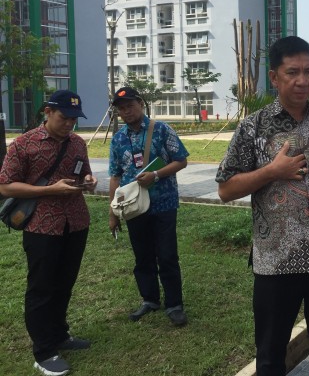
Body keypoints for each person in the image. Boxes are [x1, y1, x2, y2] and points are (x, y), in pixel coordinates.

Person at [215, 36, 309, 376]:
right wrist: (272, 172)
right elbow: (224, 189)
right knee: (269, 357)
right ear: (274, 77)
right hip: (276, 262)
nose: (303, 80)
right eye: (292, 72)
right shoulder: (254, 128)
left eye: (308, 71)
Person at [0, 90, 97, 376]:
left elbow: (84, 175)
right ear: (47, 112)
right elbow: (5, 186)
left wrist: (89, 181)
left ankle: (59, 334)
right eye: (63, 117)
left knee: (64, 282)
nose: (69, 124)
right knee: (42, 287)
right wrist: (49, 190)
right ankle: (43, 350)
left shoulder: (78, 143)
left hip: (76, 222)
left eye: (74, 119)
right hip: (42, 225)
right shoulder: (24, 144)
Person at [108, 87, 189, 327]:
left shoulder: (162, 130)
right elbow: (115, 176)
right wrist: (113, 212)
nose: (126, 111)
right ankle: (150, 299)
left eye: (130, 106)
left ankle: (174, 304)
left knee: (166, 255)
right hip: (134, 207)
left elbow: (181, 160)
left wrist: (155, 174)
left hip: (163, 203)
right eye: (121, 109)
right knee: (142, 256)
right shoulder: (118, 139)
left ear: (140, 104)